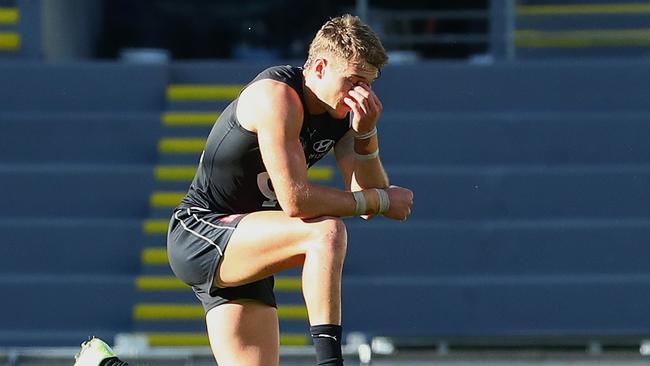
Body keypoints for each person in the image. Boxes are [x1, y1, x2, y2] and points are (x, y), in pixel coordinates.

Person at [74, 13, 413, 366]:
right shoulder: (277, 96)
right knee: (326, 232)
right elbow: (297, 201)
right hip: (202, 231)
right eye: (354, 81)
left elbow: (371, 200)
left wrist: (365, 134)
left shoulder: (342, 116)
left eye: (370, 84)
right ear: (319, 68)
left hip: (247, 248)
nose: (362, 94)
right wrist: (379, 199)